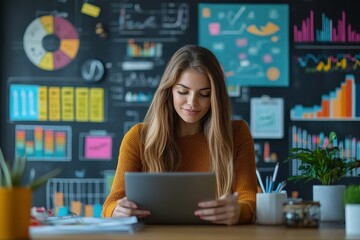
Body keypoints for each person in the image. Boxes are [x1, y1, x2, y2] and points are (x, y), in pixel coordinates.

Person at [102, 45, 257, 225]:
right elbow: (110, 204)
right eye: (183, 92)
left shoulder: (237, 134)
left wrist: (239, 211)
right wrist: (118, 211)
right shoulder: (138, 137)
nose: (192, 103)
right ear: (169, 91)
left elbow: (250, 200)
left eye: (204, 94)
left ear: (215, 97)